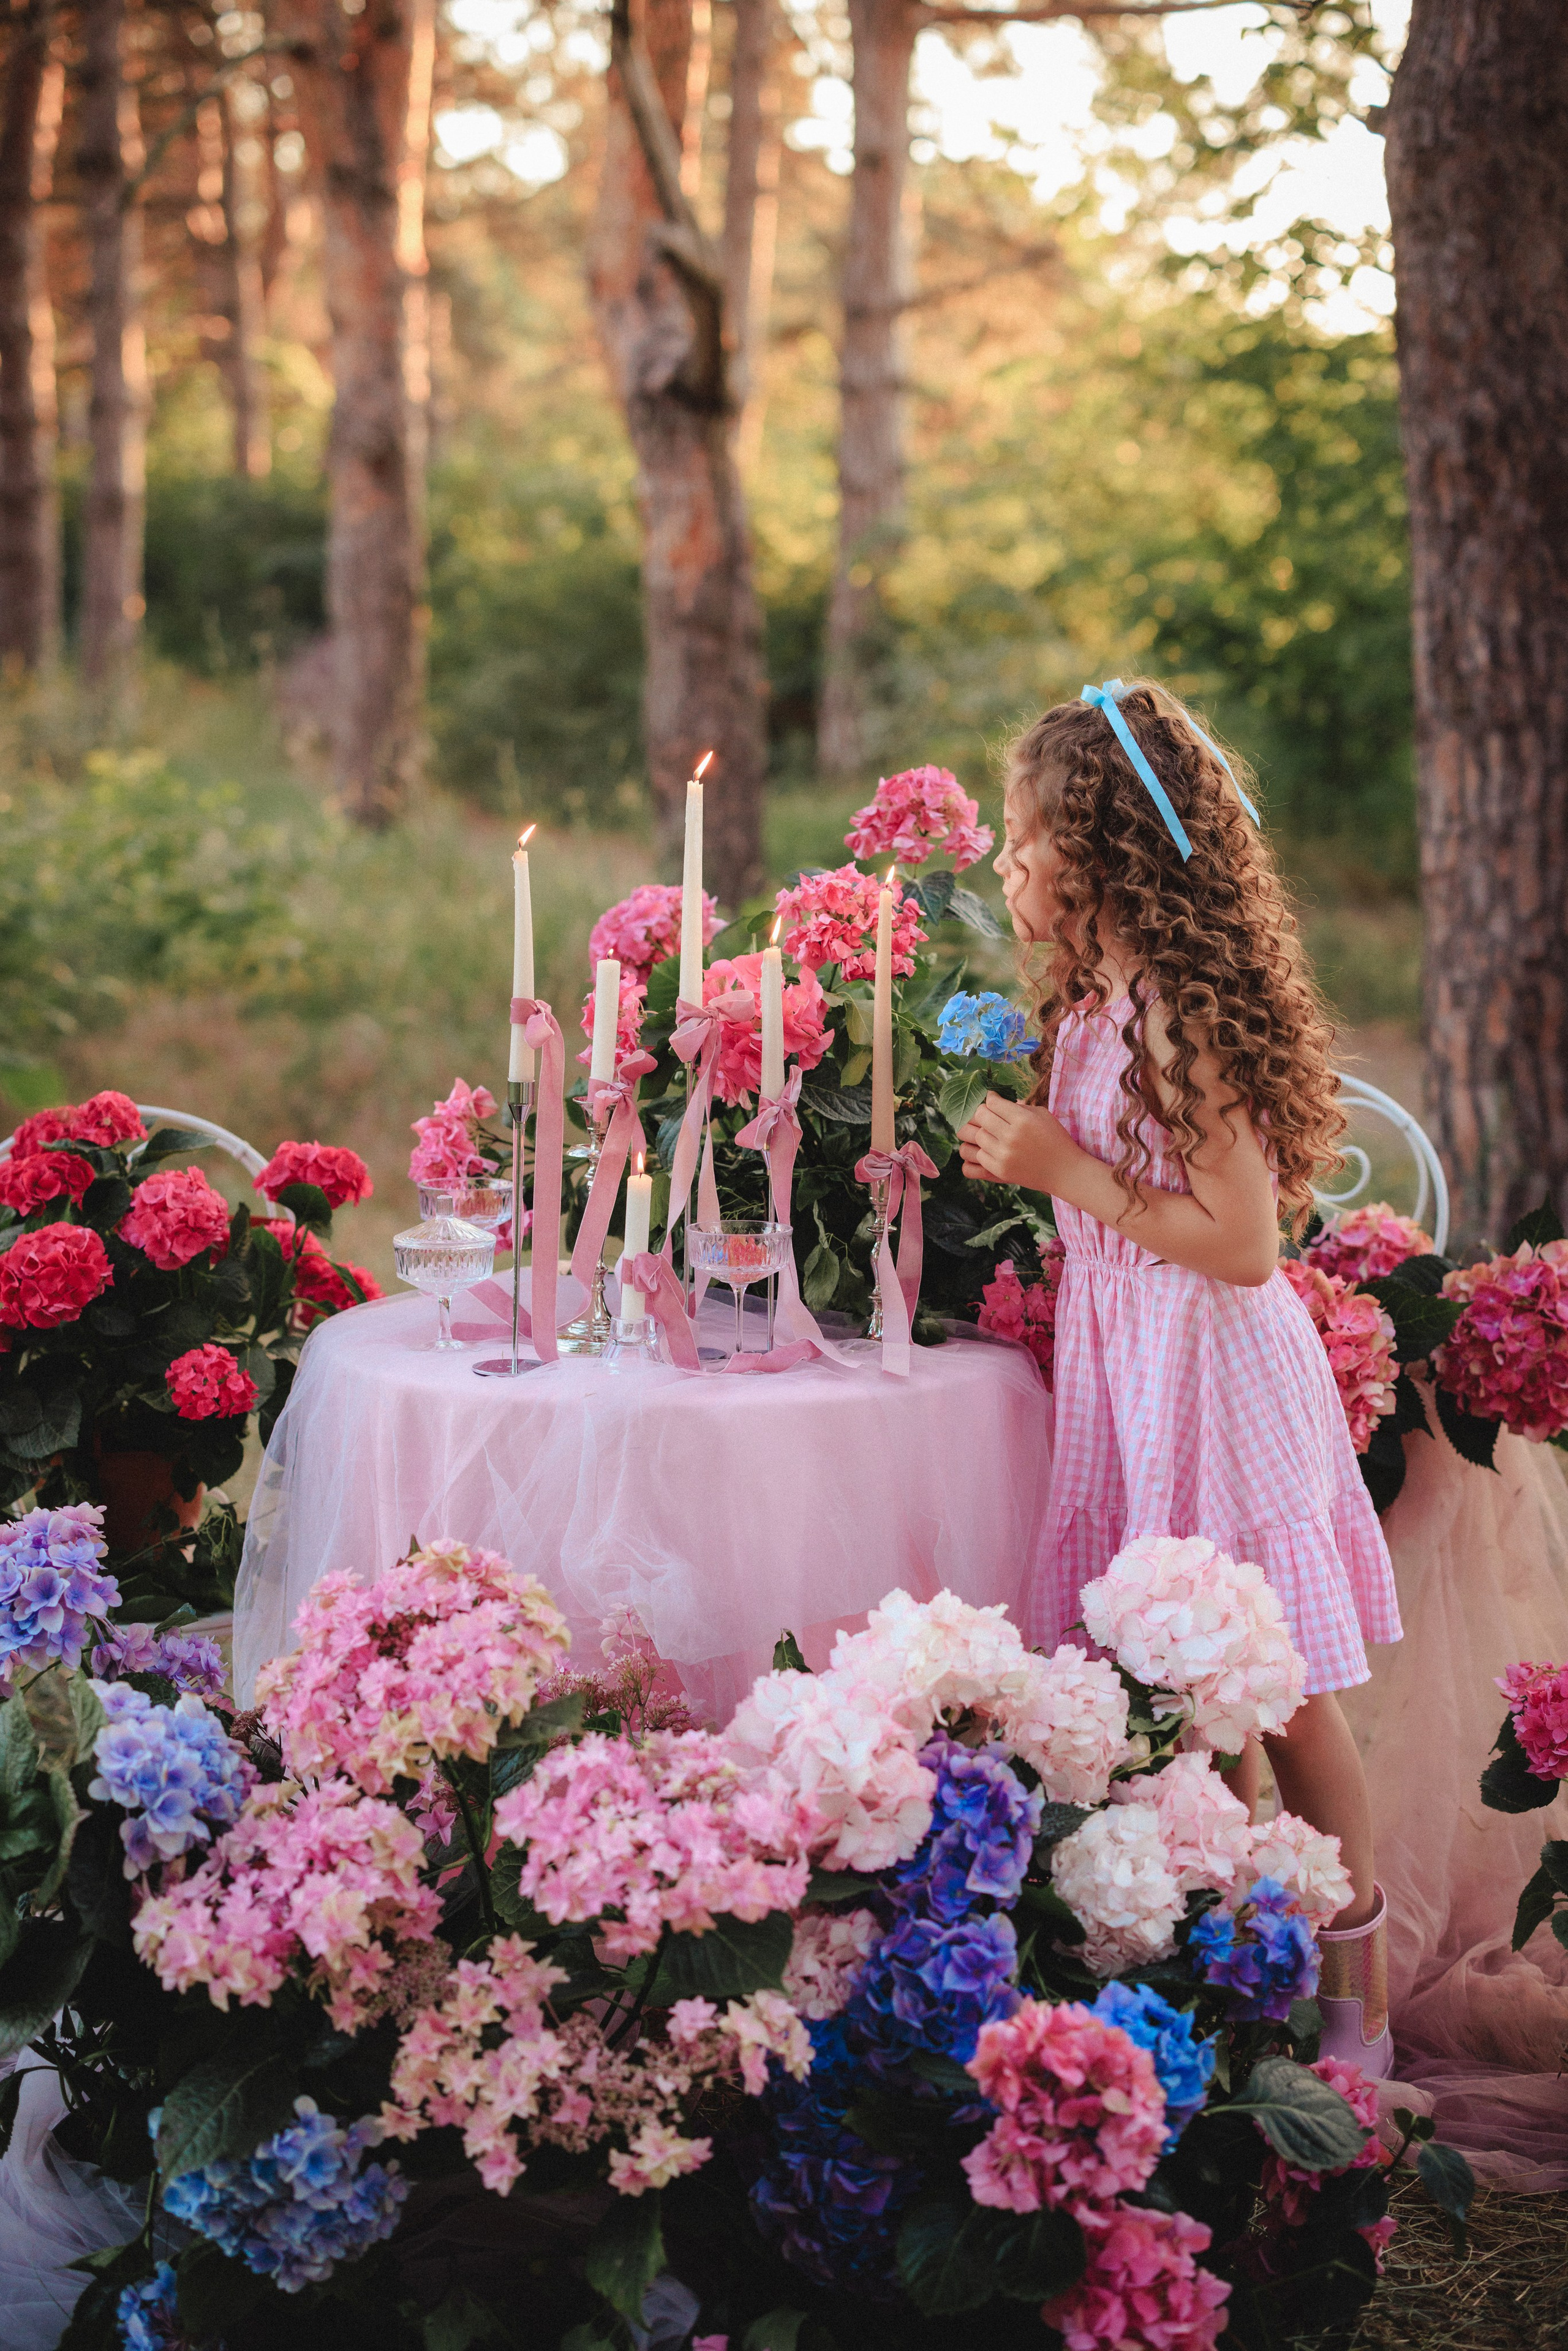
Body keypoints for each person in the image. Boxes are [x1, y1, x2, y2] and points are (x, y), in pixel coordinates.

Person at [957, 677, 1403, 2077]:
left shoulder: (1170, 1017)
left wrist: (1055, 1166)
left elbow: (1242, 1244)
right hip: (1130, 1372)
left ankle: (1359, 1998)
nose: (1003, 863)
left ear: (1097, 858)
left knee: (1279, 1693)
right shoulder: (1095, 1005)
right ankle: (1239, 1965)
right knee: (1177, 1698)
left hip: (1210, 1377)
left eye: (1025, 841)